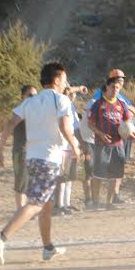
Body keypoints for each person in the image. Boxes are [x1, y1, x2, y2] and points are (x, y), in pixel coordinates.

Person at [0, 62, 80, 264]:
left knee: (47, 204)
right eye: (64, 79)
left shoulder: (31, 101)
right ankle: (1, 237)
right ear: (57, 80)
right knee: (36, 203)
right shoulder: (61, 100)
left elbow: (11, 123)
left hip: (32, 158)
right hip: (48, 159)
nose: (66, 83)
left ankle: (48, 247)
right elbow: (65, 126)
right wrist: (75, 146)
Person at [89, 78, 135, 208]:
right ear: (107, 87)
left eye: (117, 88)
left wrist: (132, 133)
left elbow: (127, 123)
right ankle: (95, 202)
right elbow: (90, 124)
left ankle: (109, 203)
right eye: (113, 87)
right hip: (101, 145)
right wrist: (101, 134)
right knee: (98, 175)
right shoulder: (98, 104)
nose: (115, 90)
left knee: (115, 175)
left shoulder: (121, 104)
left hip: (118, 144)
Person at [55, 86, 82, 215]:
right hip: (62, 146)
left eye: (72, 93)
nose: (71, 95)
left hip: (71, 146)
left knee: (69, 177)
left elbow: (76, 129)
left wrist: (79, 145)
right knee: (61, 177)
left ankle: (66, 203)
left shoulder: (72, 109)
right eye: (68, 93)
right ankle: (58, 205)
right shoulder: (60, 105)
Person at [11, 85, 38, 210]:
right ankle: (20, 210)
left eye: (35, 95)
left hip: (31, 151)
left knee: (27, 181)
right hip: (20, 151)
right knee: (20, 181)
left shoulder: (32, 111)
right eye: (30, 95)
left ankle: (23, 210)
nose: (33, 98)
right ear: (23, 96)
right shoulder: (19, 110)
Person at [80, 97, 97, 209]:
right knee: (88, 171)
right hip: (88, 141)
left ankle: (95, 198)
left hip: (98, 142)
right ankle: (88, 200)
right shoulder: (93, 103)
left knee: (96, 171)